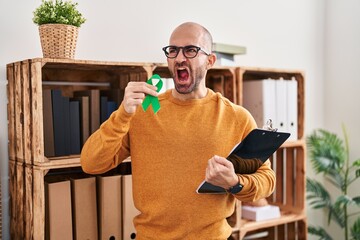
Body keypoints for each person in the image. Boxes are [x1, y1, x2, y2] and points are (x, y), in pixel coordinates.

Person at [81, 22, 275, 240]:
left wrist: (234, 182)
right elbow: (91, 163)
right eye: (173, 50)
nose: (180, 58)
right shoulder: (143, 111)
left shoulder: (236, 117)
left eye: (191, 50)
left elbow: (267, 180)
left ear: (210, 60)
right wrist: (122, 114)